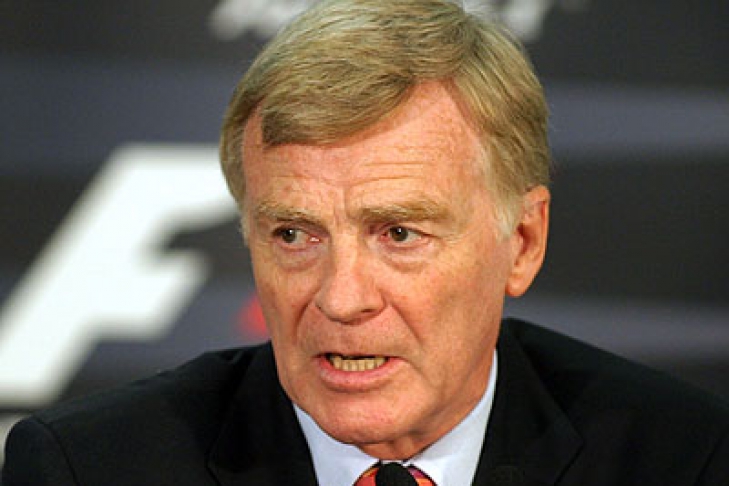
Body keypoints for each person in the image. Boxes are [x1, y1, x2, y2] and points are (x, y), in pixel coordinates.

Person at [3, 0, 728, 484]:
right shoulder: (87, 469)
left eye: (399, 233)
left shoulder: (682, 458)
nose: (341, 298)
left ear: (522, 241)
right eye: (294, 234)